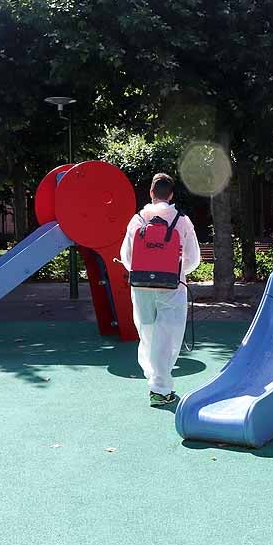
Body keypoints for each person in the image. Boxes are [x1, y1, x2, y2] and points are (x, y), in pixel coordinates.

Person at [120, 173, 201, 406]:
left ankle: (153, 379)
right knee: (168, 337)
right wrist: (173, 269)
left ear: (151, 193)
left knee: (147, 334)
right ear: (172, 194)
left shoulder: (137, 220)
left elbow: (127, 258)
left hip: (141, 287)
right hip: (171, 287)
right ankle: (160, 388)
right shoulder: (182, 220)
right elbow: (193, 259)